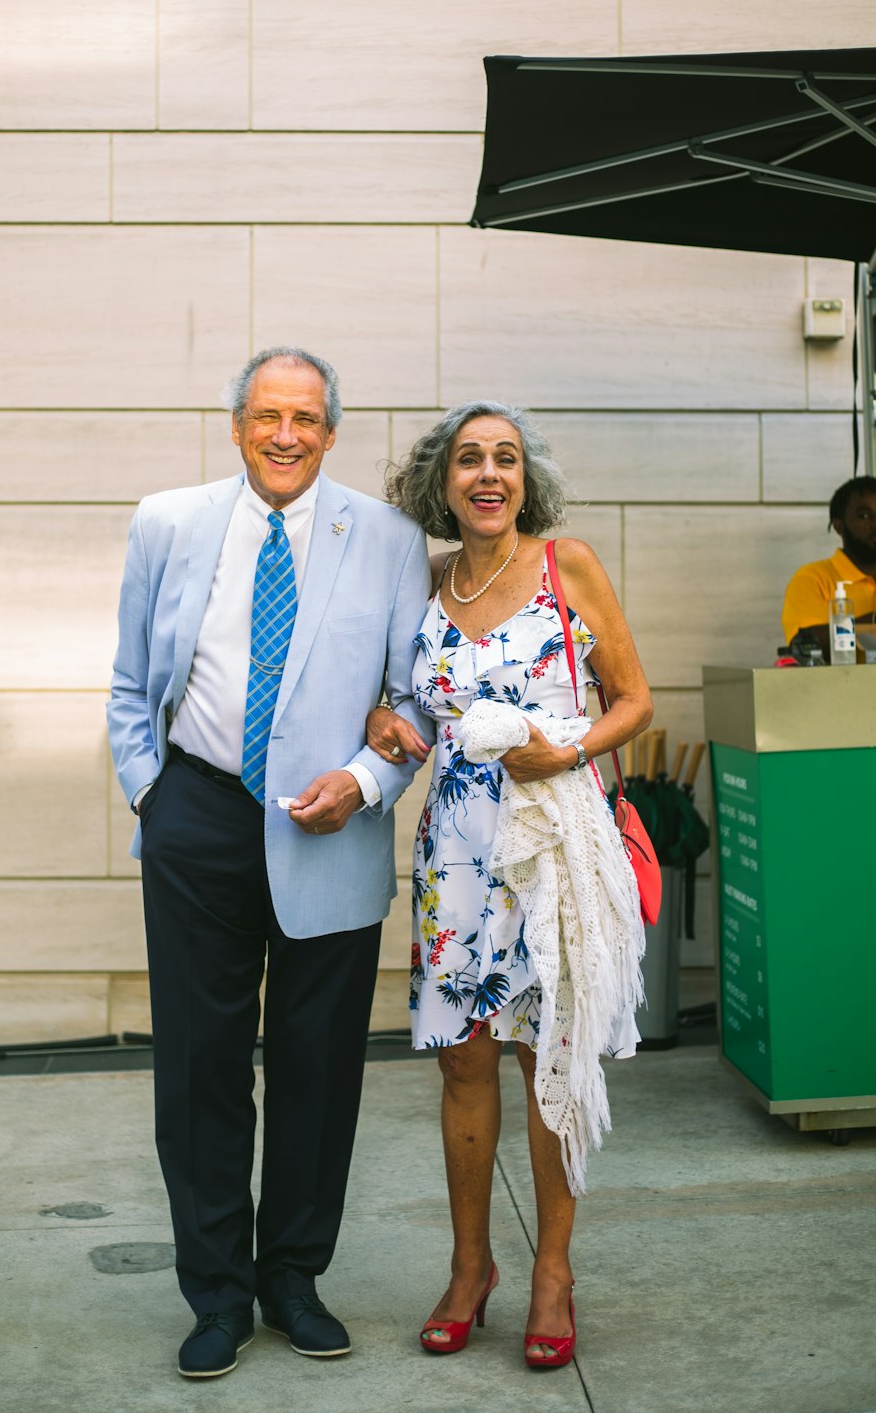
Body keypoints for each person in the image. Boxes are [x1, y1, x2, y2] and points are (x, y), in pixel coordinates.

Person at [106, 348, 431, 1380]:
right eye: (266, 416)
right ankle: (217, 1294)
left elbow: (418, 699)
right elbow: (126, 685)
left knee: (318, 1067)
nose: (285, 434)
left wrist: (366, 785)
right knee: (200, 1068)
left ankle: (293, 1278)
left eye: (305, 418)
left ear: (332, 432)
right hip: (197, 811)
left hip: (330, 819)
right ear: (236, 425)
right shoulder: (166, 522)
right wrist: (152, 794)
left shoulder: (385, 540)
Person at [366, 401, 653, 1370]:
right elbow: (410, 702)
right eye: (468, 460)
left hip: (554, 849)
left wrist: (566, 747)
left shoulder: (567, 565)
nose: (488, 474)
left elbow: (636, 700)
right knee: (463, 1062)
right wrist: (381, 719)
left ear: (526, 479)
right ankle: (469, 1266)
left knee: (550, 1061)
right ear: (439, 481)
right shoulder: (429, 582)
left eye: (506, 459)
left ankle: (555, 1274)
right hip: (454, 854)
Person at [782, 475, 876, 655]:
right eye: (864, 516)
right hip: (845, 683)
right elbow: (804, 644)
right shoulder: (812, 578)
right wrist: (872, 621)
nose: (875, 523)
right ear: (839, 526)